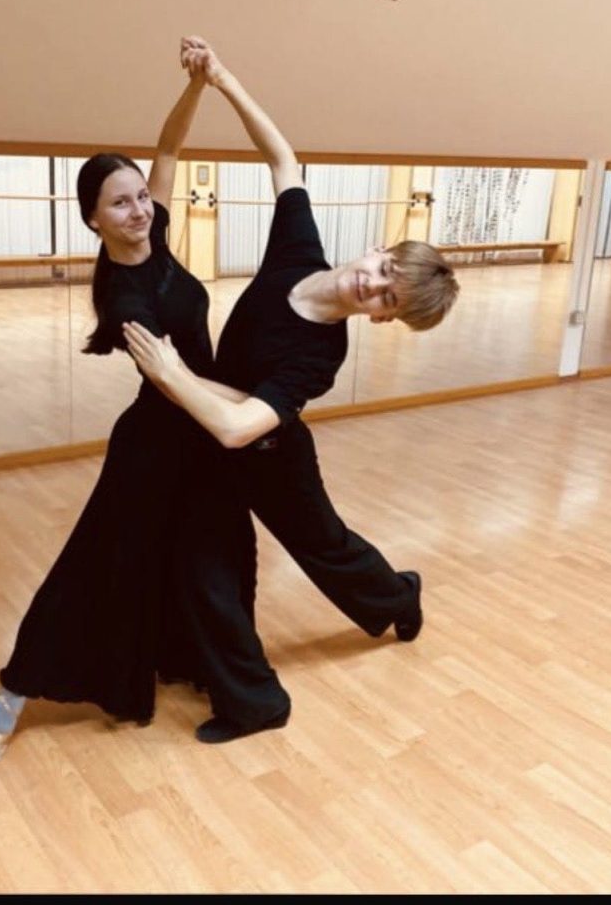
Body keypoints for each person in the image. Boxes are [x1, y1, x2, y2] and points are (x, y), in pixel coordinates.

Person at [123, 37, 460, 744]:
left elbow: (241, 426)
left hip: (268, 454)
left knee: (325, 550)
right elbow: (282, 158)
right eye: (383, 271)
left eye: (388, 299)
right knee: (203, 563)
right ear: (378, 249)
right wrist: (219, 78)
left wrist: (172, 375)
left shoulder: (321, 355)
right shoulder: (298, 251)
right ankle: (246, 697)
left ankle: (398, 597)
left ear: (383, 319)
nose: (372, 285)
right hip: (215, 428)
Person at [0, 46, 250, 761]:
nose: (139, 209)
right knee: (100, 562)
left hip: (201, 430)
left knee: (195, 553)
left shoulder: (151, 233)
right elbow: (176, 383)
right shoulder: (126, 298)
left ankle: (190, 660)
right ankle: (18, 682)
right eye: (121, 203)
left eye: (140, 197)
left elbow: (168, 148)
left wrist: (197, 85)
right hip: (158, 443)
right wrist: (264, 404)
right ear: (94, 219)